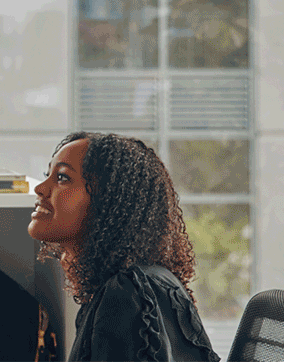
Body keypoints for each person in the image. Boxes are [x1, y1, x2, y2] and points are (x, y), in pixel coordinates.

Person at [29, 132, 220, 362]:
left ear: (106, 200)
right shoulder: (136, 283)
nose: (40, 188)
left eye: (62, 178)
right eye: (46, 175)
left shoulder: (125, 294)